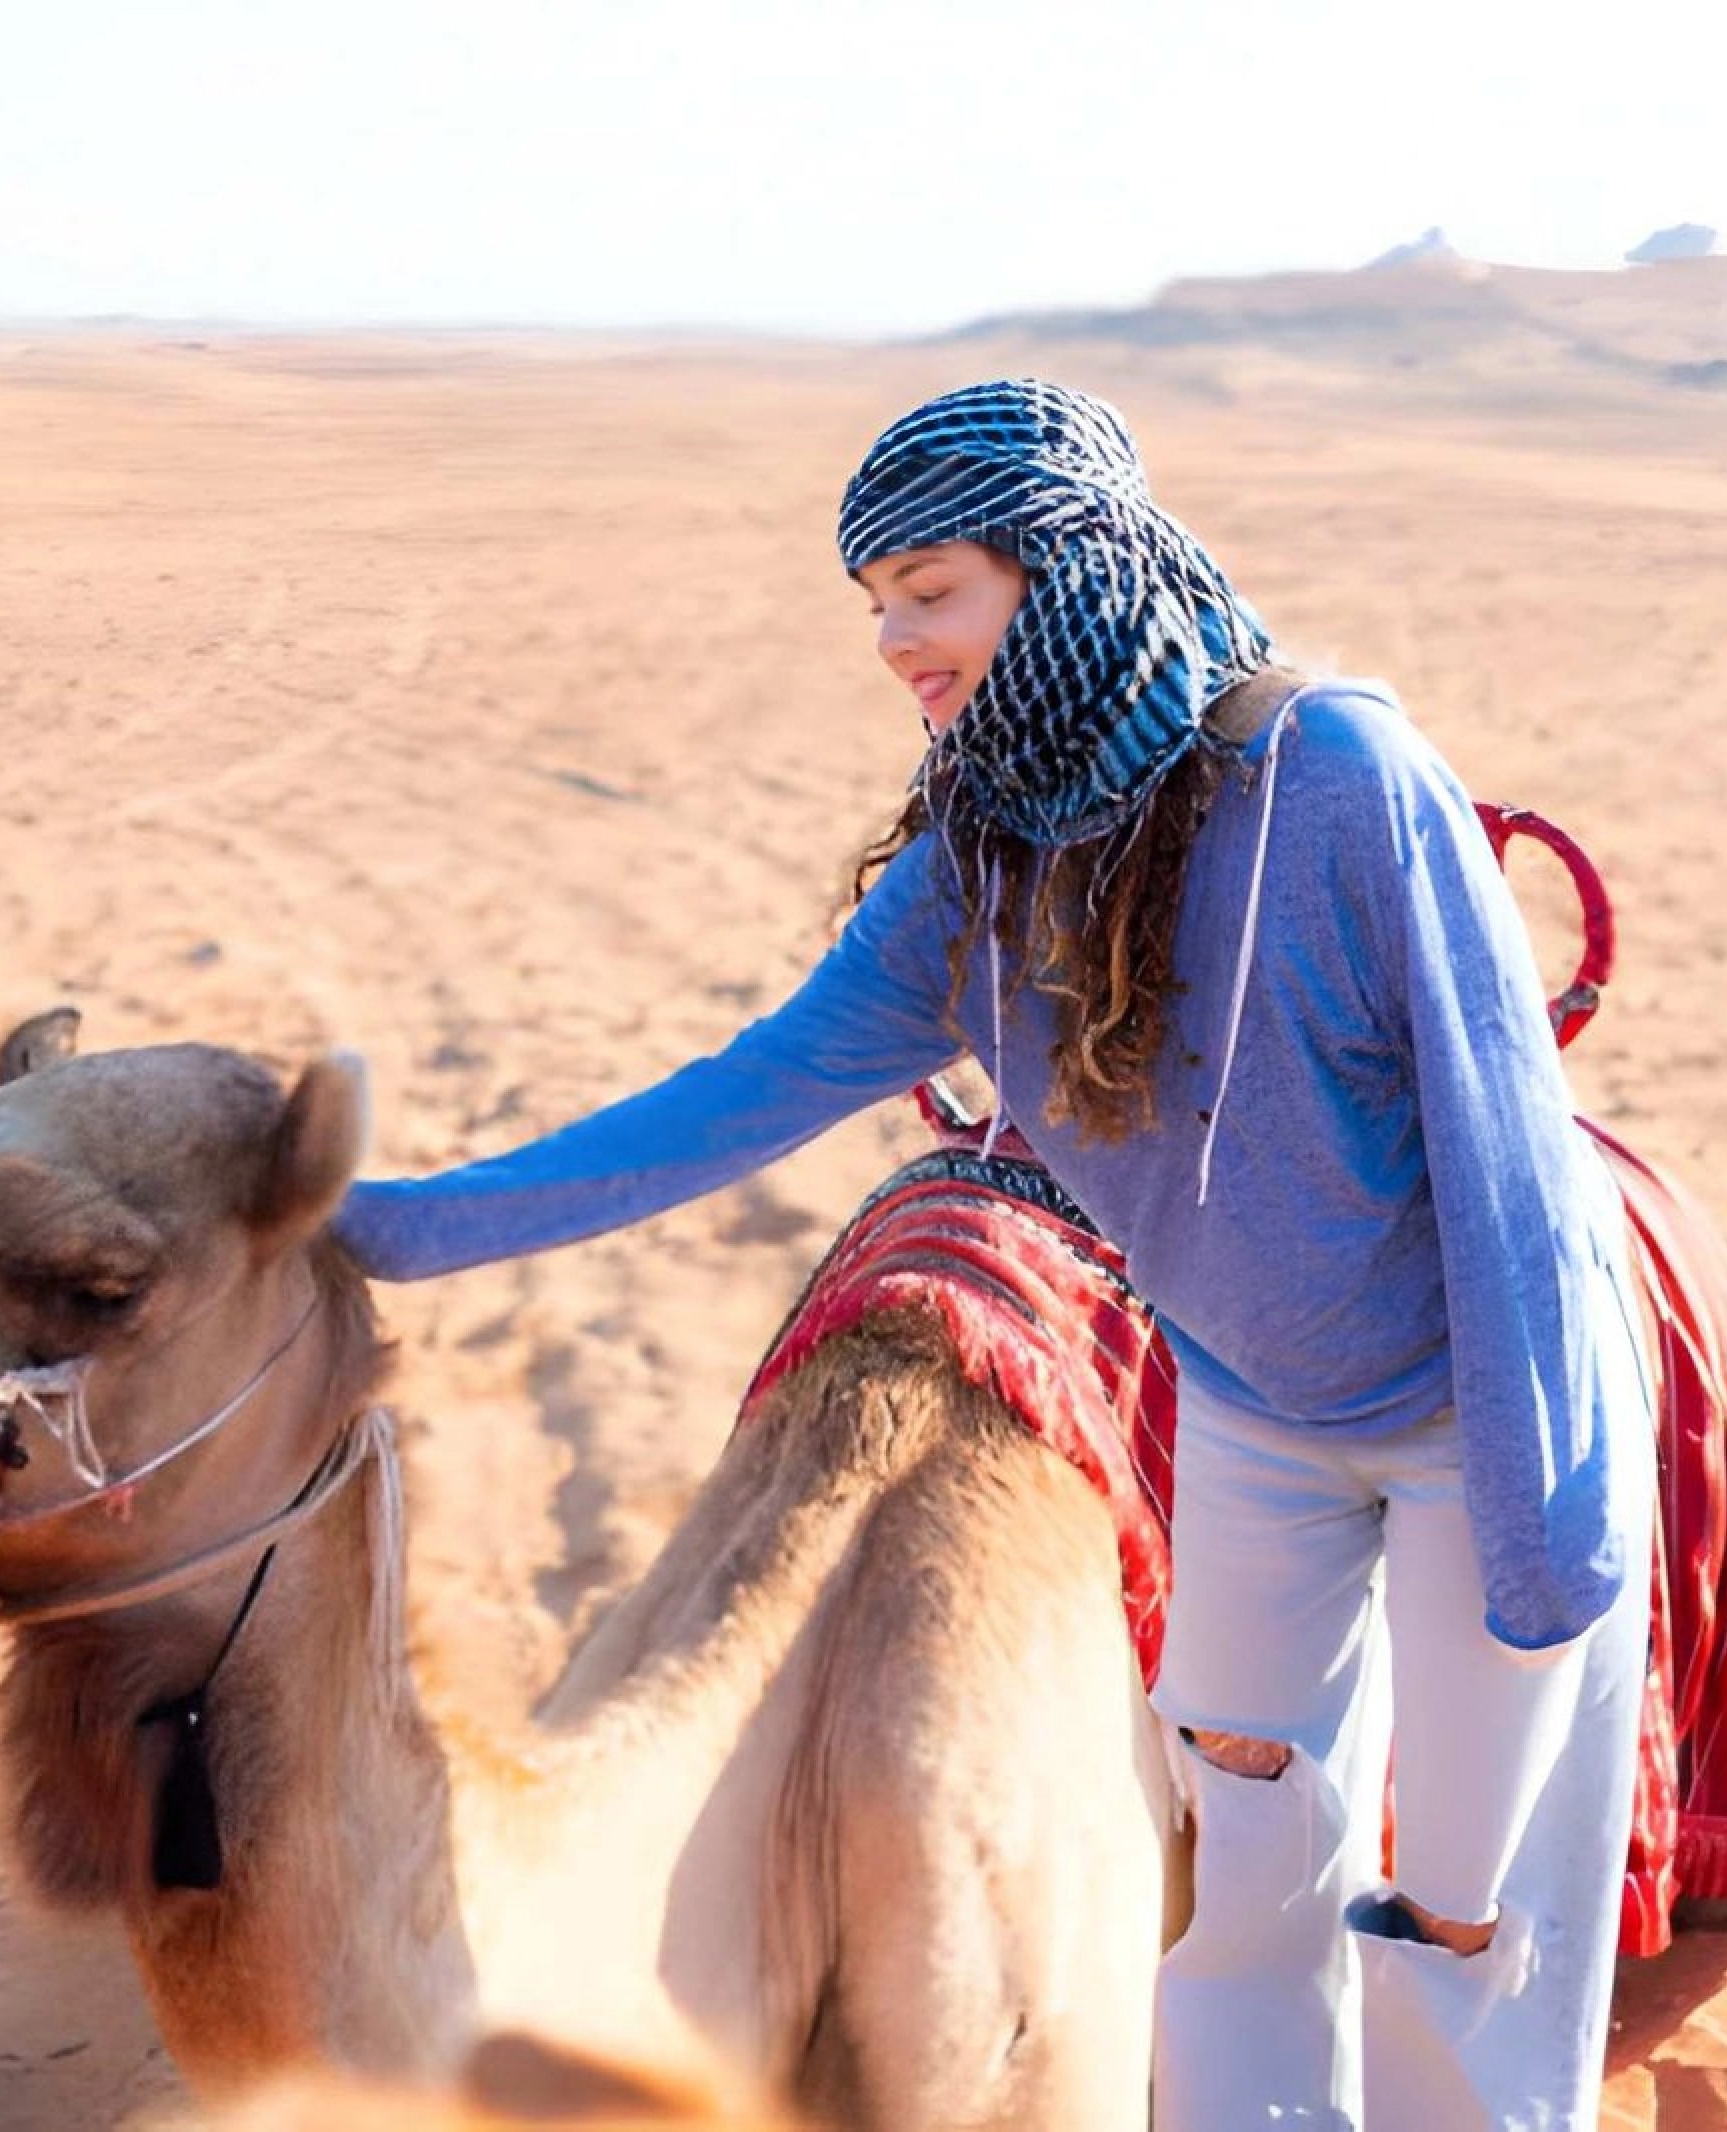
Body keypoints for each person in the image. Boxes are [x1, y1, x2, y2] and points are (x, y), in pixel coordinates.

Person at [335, 378, 1655, 2130]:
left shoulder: (1342, 772)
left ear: (1068, 570)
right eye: (873, 600)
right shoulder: (979, 857)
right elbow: (738, 1100)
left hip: (1474, 1420)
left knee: (1462, 1910)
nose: (893, 638)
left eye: (931, 589)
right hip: (1255, 1421)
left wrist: (1542, 1517)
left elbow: (1508, 1147)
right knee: (1247, 1859)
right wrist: (392, 1232)